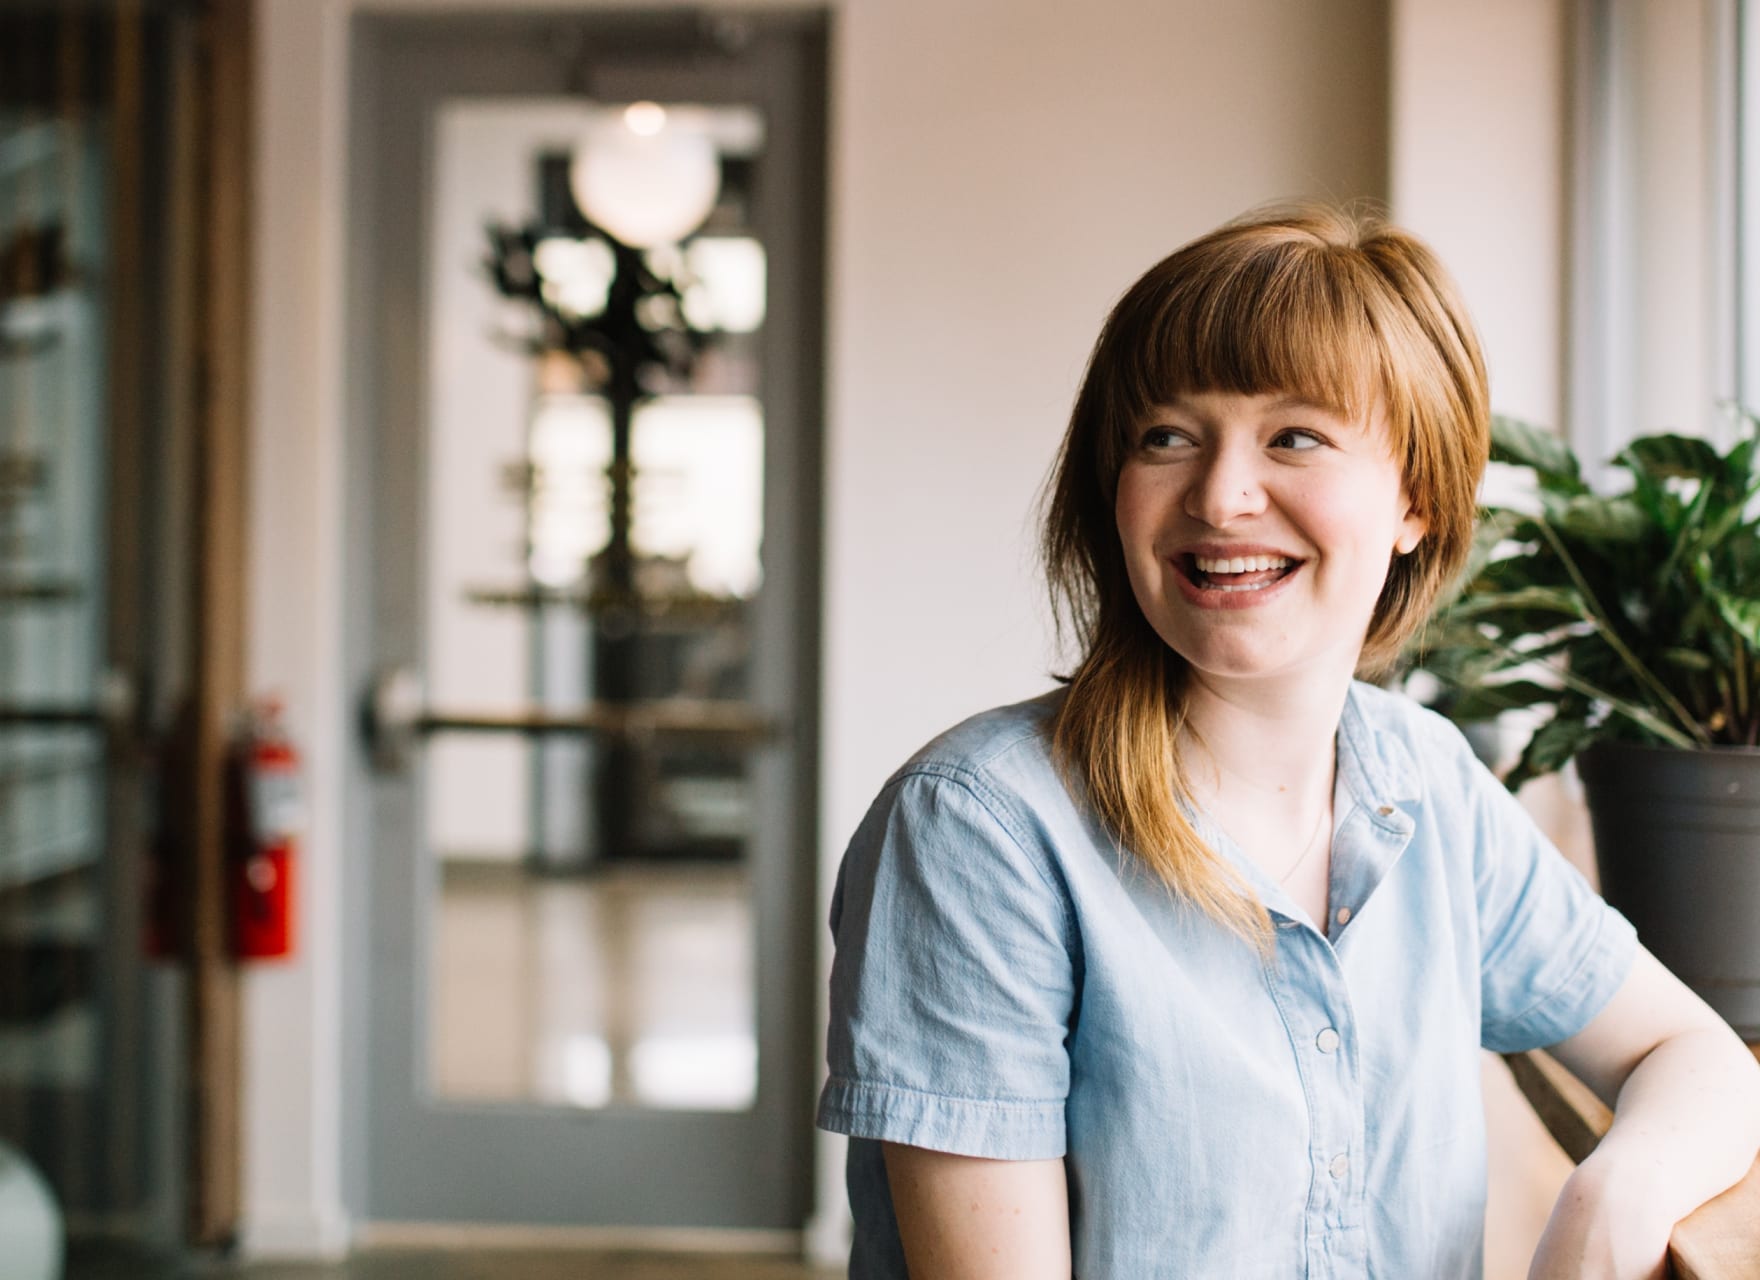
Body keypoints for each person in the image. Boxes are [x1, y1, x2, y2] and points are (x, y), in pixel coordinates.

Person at [815, 204, 1760, 1278]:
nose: (1218, 495)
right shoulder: (976, 828)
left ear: (1414, 495)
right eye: (1164, 435)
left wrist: (1609, 1198)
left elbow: (1690, 1052)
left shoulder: (1425, 779)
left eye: (1293, 435)